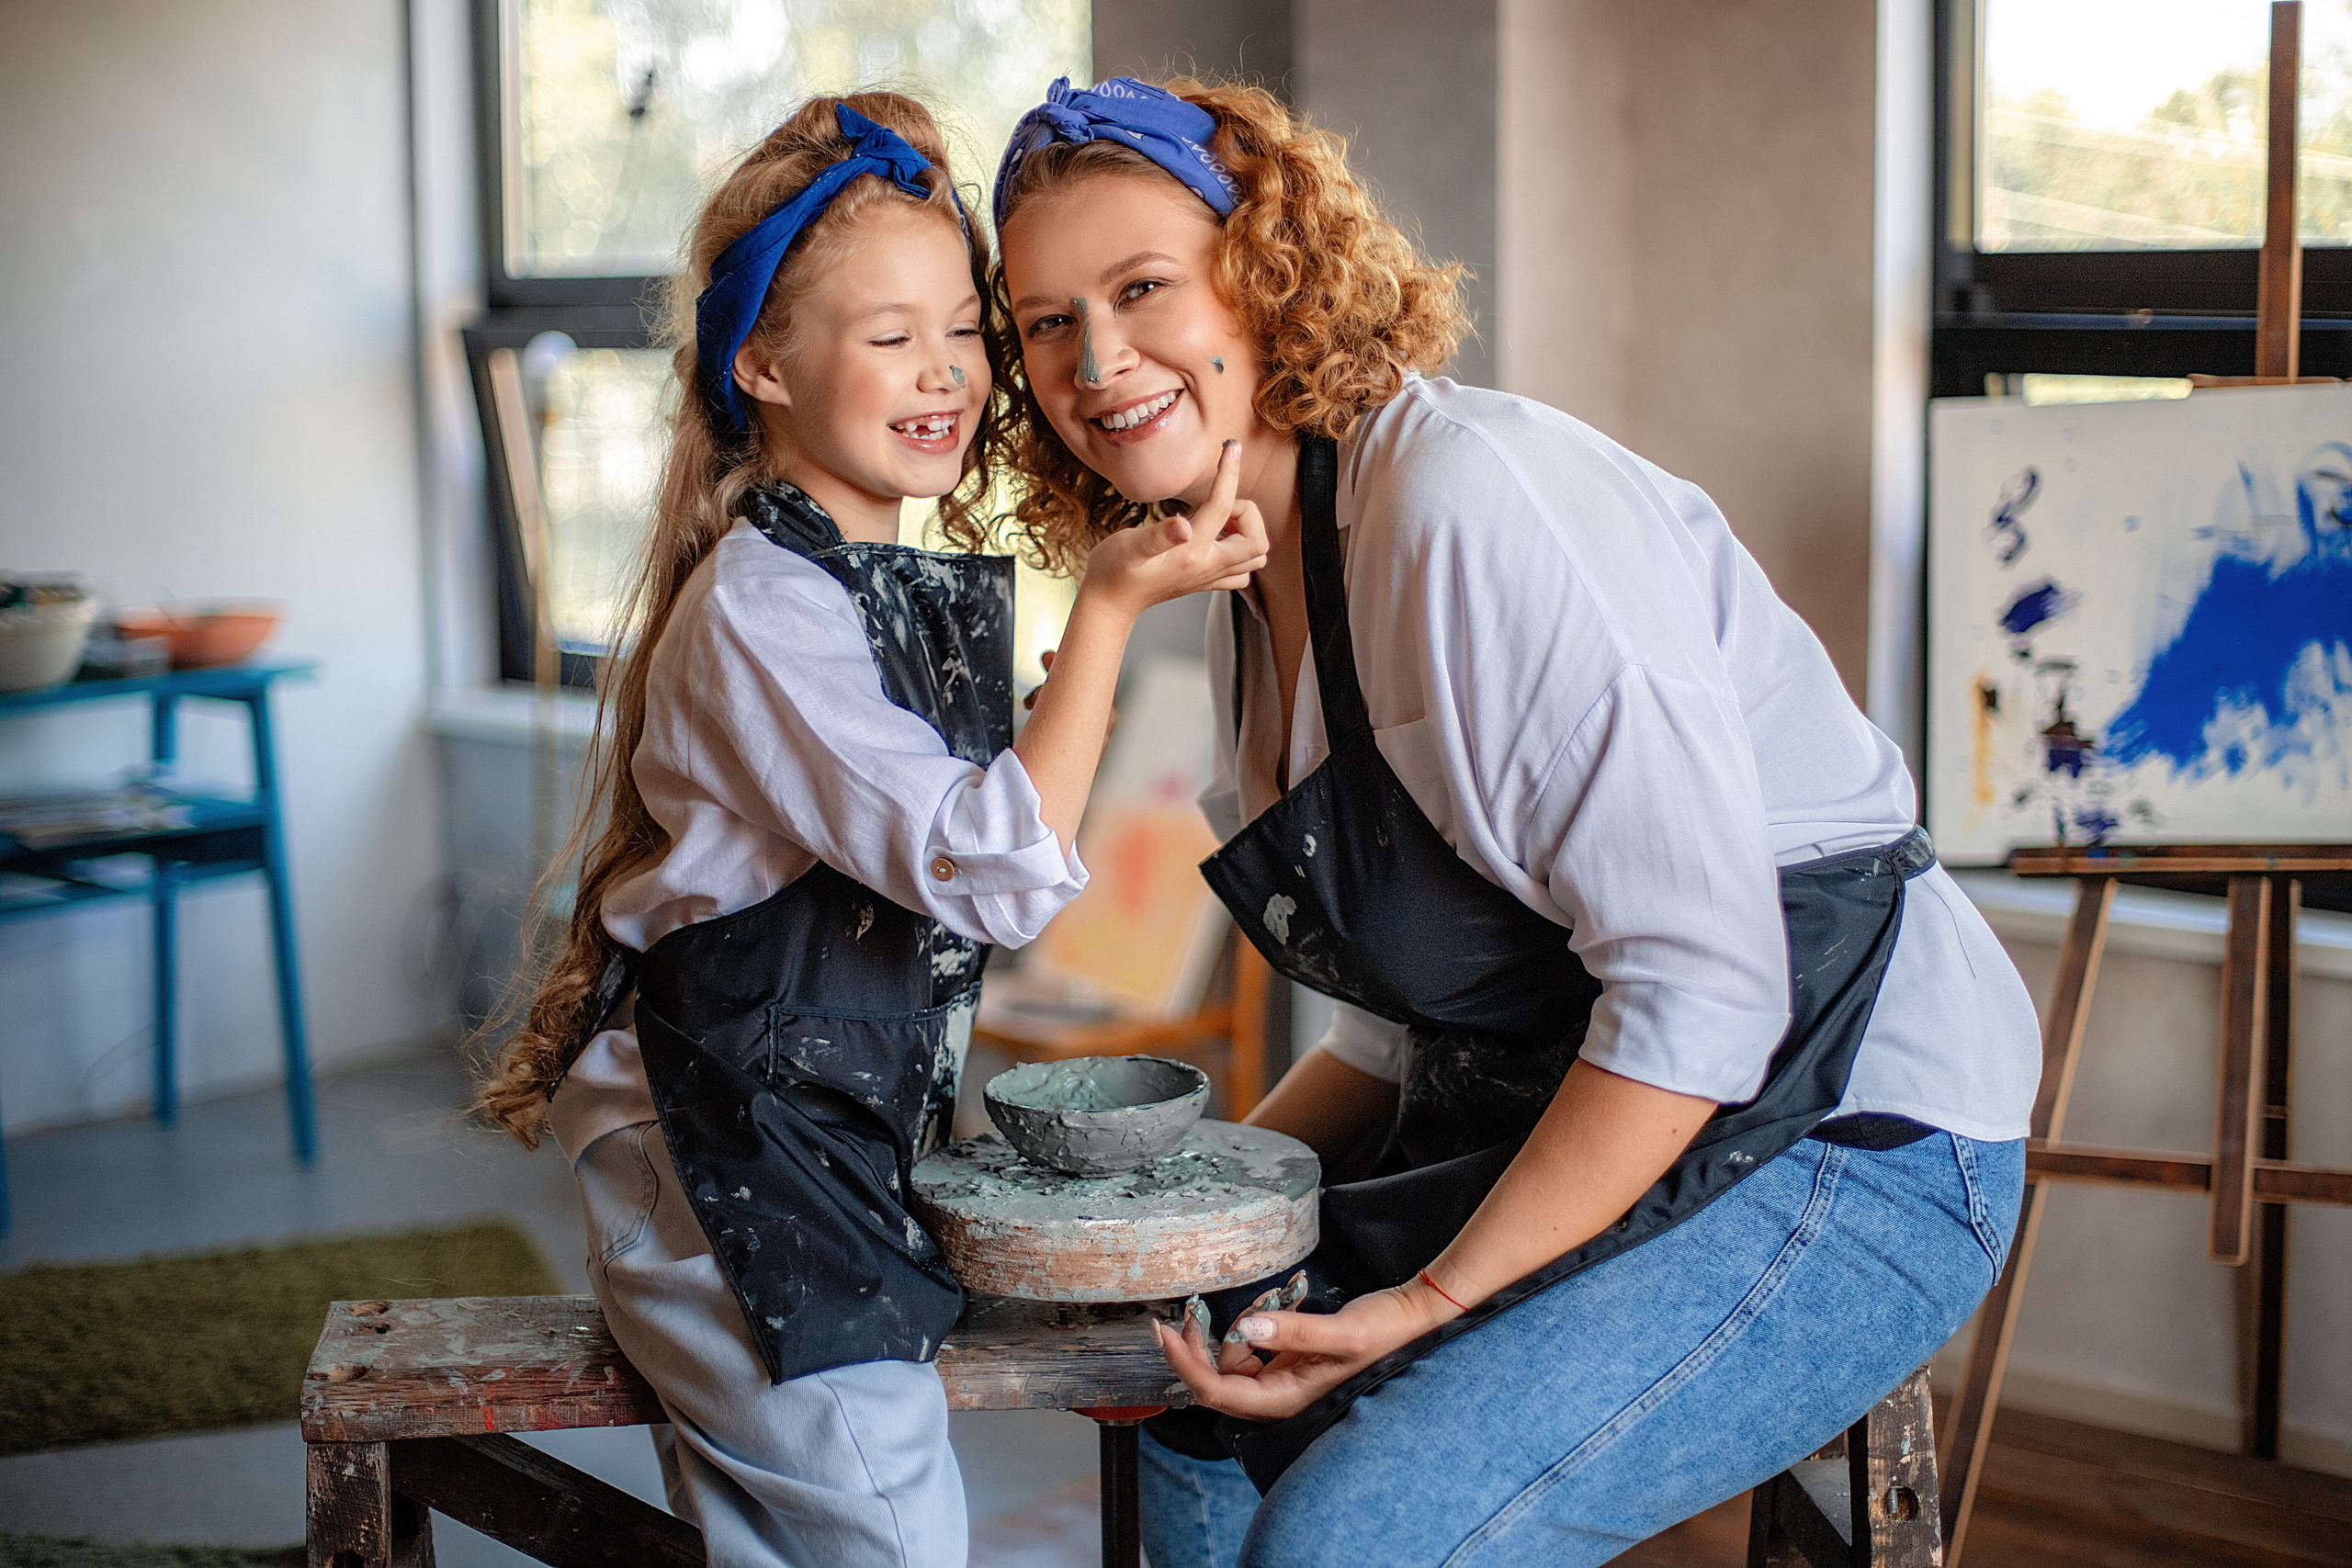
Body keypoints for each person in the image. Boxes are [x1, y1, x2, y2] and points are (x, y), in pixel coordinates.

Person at [990, 75, 2041, 1568]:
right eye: (1045, 322)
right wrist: (1174, 1220)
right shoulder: (1250, 579)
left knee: (1352, 1541)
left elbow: (1706, 991)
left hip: (1850, 1129)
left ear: (1268, 271)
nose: (1097, 360)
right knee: (1182, 1395)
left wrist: (1425, 1303)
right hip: (1577, 1108)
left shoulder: (1465, 503)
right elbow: (1400, 1026)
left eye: (1142, 286)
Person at [475, 91, 1267, 1568]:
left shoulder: (849, 576)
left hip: (805, 1137)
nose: (948, 373)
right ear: (760, 364)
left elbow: (952, 836)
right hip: (723, 1150)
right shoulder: (766, 609)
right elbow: (986, 874)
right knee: (884, 1538)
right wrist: (1106, 610)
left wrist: (1055, 704)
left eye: (966, 329)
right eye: (890, 335)